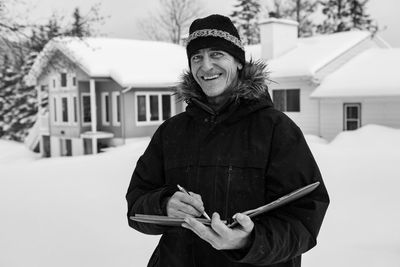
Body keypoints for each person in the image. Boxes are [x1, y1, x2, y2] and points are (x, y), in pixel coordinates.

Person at [126, 14, 329, 267]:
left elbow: (305, 216)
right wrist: (164, 205)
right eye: (197, 57)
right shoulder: (171, 132)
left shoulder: (276, 129)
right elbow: (135, 207)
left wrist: (248, 241)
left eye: (217, 54)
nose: (206, 66)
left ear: (239, 62)